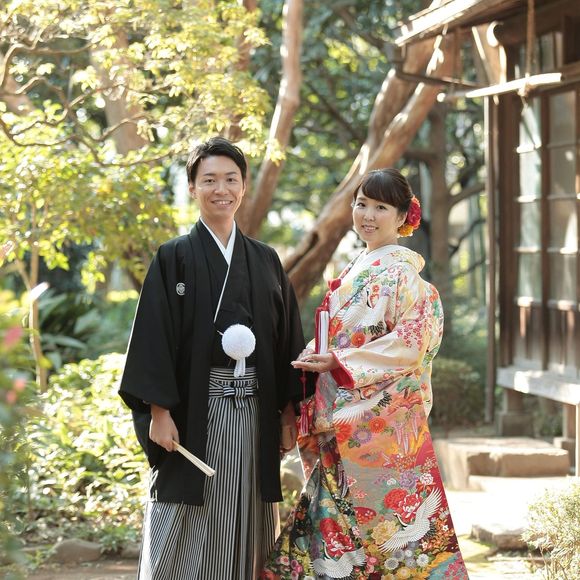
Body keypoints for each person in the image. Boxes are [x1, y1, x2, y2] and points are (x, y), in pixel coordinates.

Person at [261, 168, 468, 579]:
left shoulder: (404, 275)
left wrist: (339, 361)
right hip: (340, 416)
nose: (368, 215)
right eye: (361, 204)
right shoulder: (358, 267)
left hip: (376, 425)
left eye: (380, 207)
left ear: (402, 216)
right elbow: (340, 338)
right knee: (336, 532)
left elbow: (411, 344)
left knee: (389, 537)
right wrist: (316, 359)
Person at [119, 136, 311, 580]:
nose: (220, 189)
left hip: (254, 413)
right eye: (209, 180)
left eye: (230, 179)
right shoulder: (173, 257)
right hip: (193, 413)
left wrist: (287, 412)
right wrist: (158, 411)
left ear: (244, 186)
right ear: (192, 187)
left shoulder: (265, 260)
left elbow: (286, 339)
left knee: (247, 512)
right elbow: (154, 337)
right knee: (183, 514)